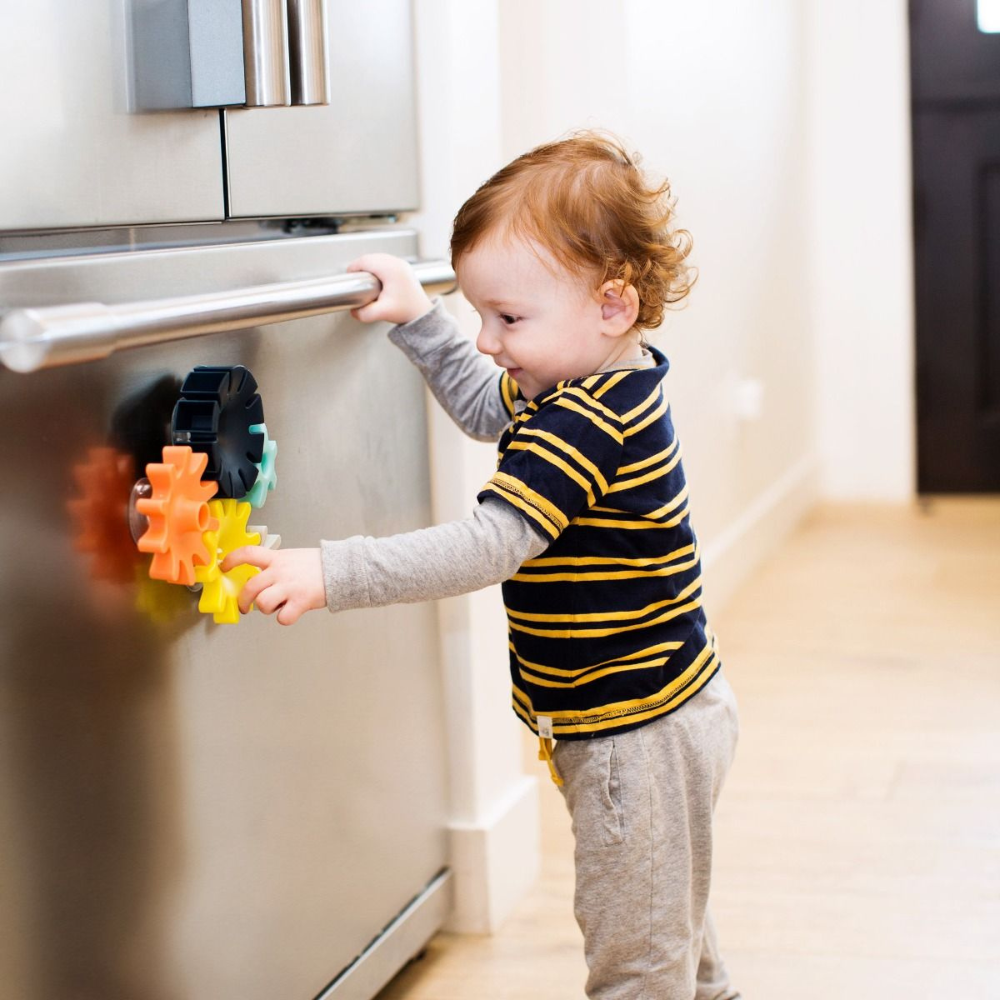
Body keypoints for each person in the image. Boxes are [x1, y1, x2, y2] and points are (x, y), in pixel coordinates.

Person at [224, 131, 741, 1000]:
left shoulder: (585, 420)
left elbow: (489, 544)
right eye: (480, 314)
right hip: (657, 710)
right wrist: (419, 323)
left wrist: (333, 573)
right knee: (666, 923)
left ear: (612, 306)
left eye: (508, 318)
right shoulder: (584, 382)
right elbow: (480, 403)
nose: (489, 339)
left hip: (634, 733)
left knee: (638, 964)